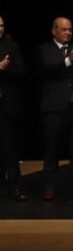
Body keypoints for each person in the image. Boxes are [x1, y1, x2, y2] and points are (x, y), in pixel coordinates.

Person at [37, 16, 73, 201]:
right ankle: (49, 186)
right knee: (51, 149)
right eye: (63, 29)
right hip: (54, 108)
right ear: (53, 30)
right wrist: (69, 60)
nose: (68, 33)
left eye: (70, 29)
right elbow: (48, 70)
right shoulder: (44, 50)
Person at [0, 14, 27, 201]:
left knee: (10, 147)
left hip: (6, 105)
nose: (0, 28)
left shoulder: (11, 46)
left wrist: (4, 68)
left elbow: (21, 71)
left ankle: (15, 187)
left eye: (1, 25)